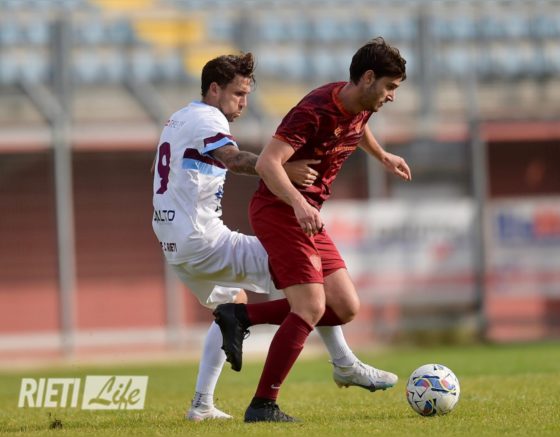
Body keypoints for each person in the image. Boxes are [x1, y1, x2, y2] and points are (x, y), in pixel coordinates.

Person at [151, 52, 398, 422]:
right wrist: (283, 168)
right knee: (313, 284)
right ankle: (343, 363)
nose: (243, 103)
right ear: (214, 89)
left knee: (238, 299)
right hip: (205, 241)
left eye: (247, 95)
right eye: (238, 94)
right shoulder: (208, 118)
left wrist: (381, 155)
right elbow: (234, 159)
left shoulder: (179, 117)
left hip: (174, 243)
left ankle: (201, 405)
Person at [214, 37, 411, 422]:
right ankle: (263, 405)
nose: (391, 96)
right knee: (310, 306)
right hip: (279, 210)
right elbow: (268, 163)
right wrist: (300, 203)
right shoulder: (315, 109)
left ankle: (241, 317)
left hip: (305, 214)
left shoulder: (360, 104)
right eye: (389, 87)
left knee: (345, 307)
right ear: (368, 78)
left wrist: (383, 156)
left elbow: (357, 128)